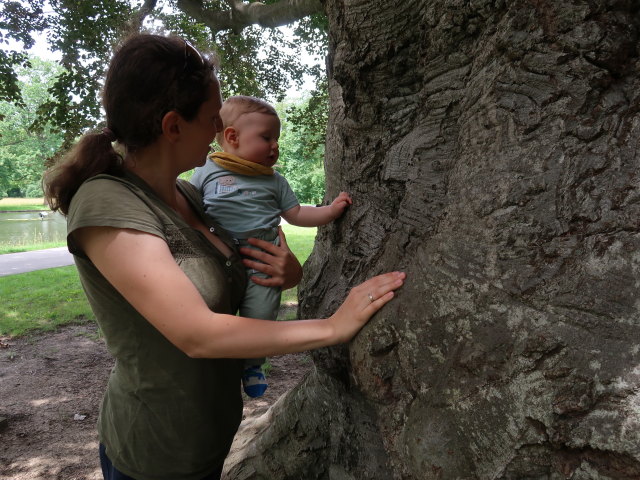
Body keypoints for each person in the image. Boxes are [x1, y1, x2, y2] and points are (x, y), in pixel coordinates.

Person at [44, 33, 405, 480]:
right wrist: (334, 327)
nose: (221, 132)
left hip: (208, 435)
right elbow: (198, 333)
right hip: (154, 453)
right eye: (213, 119)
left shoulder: (192, 197)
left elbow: (238, 273)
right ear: (174, 126)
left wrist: (284, 273)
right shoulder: (108, 204)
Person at [191, 95, 353, 398]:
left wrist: (331, 211)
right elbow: (189, 207)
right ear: (232, 137)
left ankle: (252, 363)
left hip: (262, 258)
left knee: (262, 312)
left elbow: (297, 214)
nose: (275, 145)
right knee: (213, 308)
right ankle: (217, 365)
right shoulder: (208, 171)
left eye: (276, 138)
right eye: (266, 137)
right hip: (217, 255)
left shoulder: (274, 180)